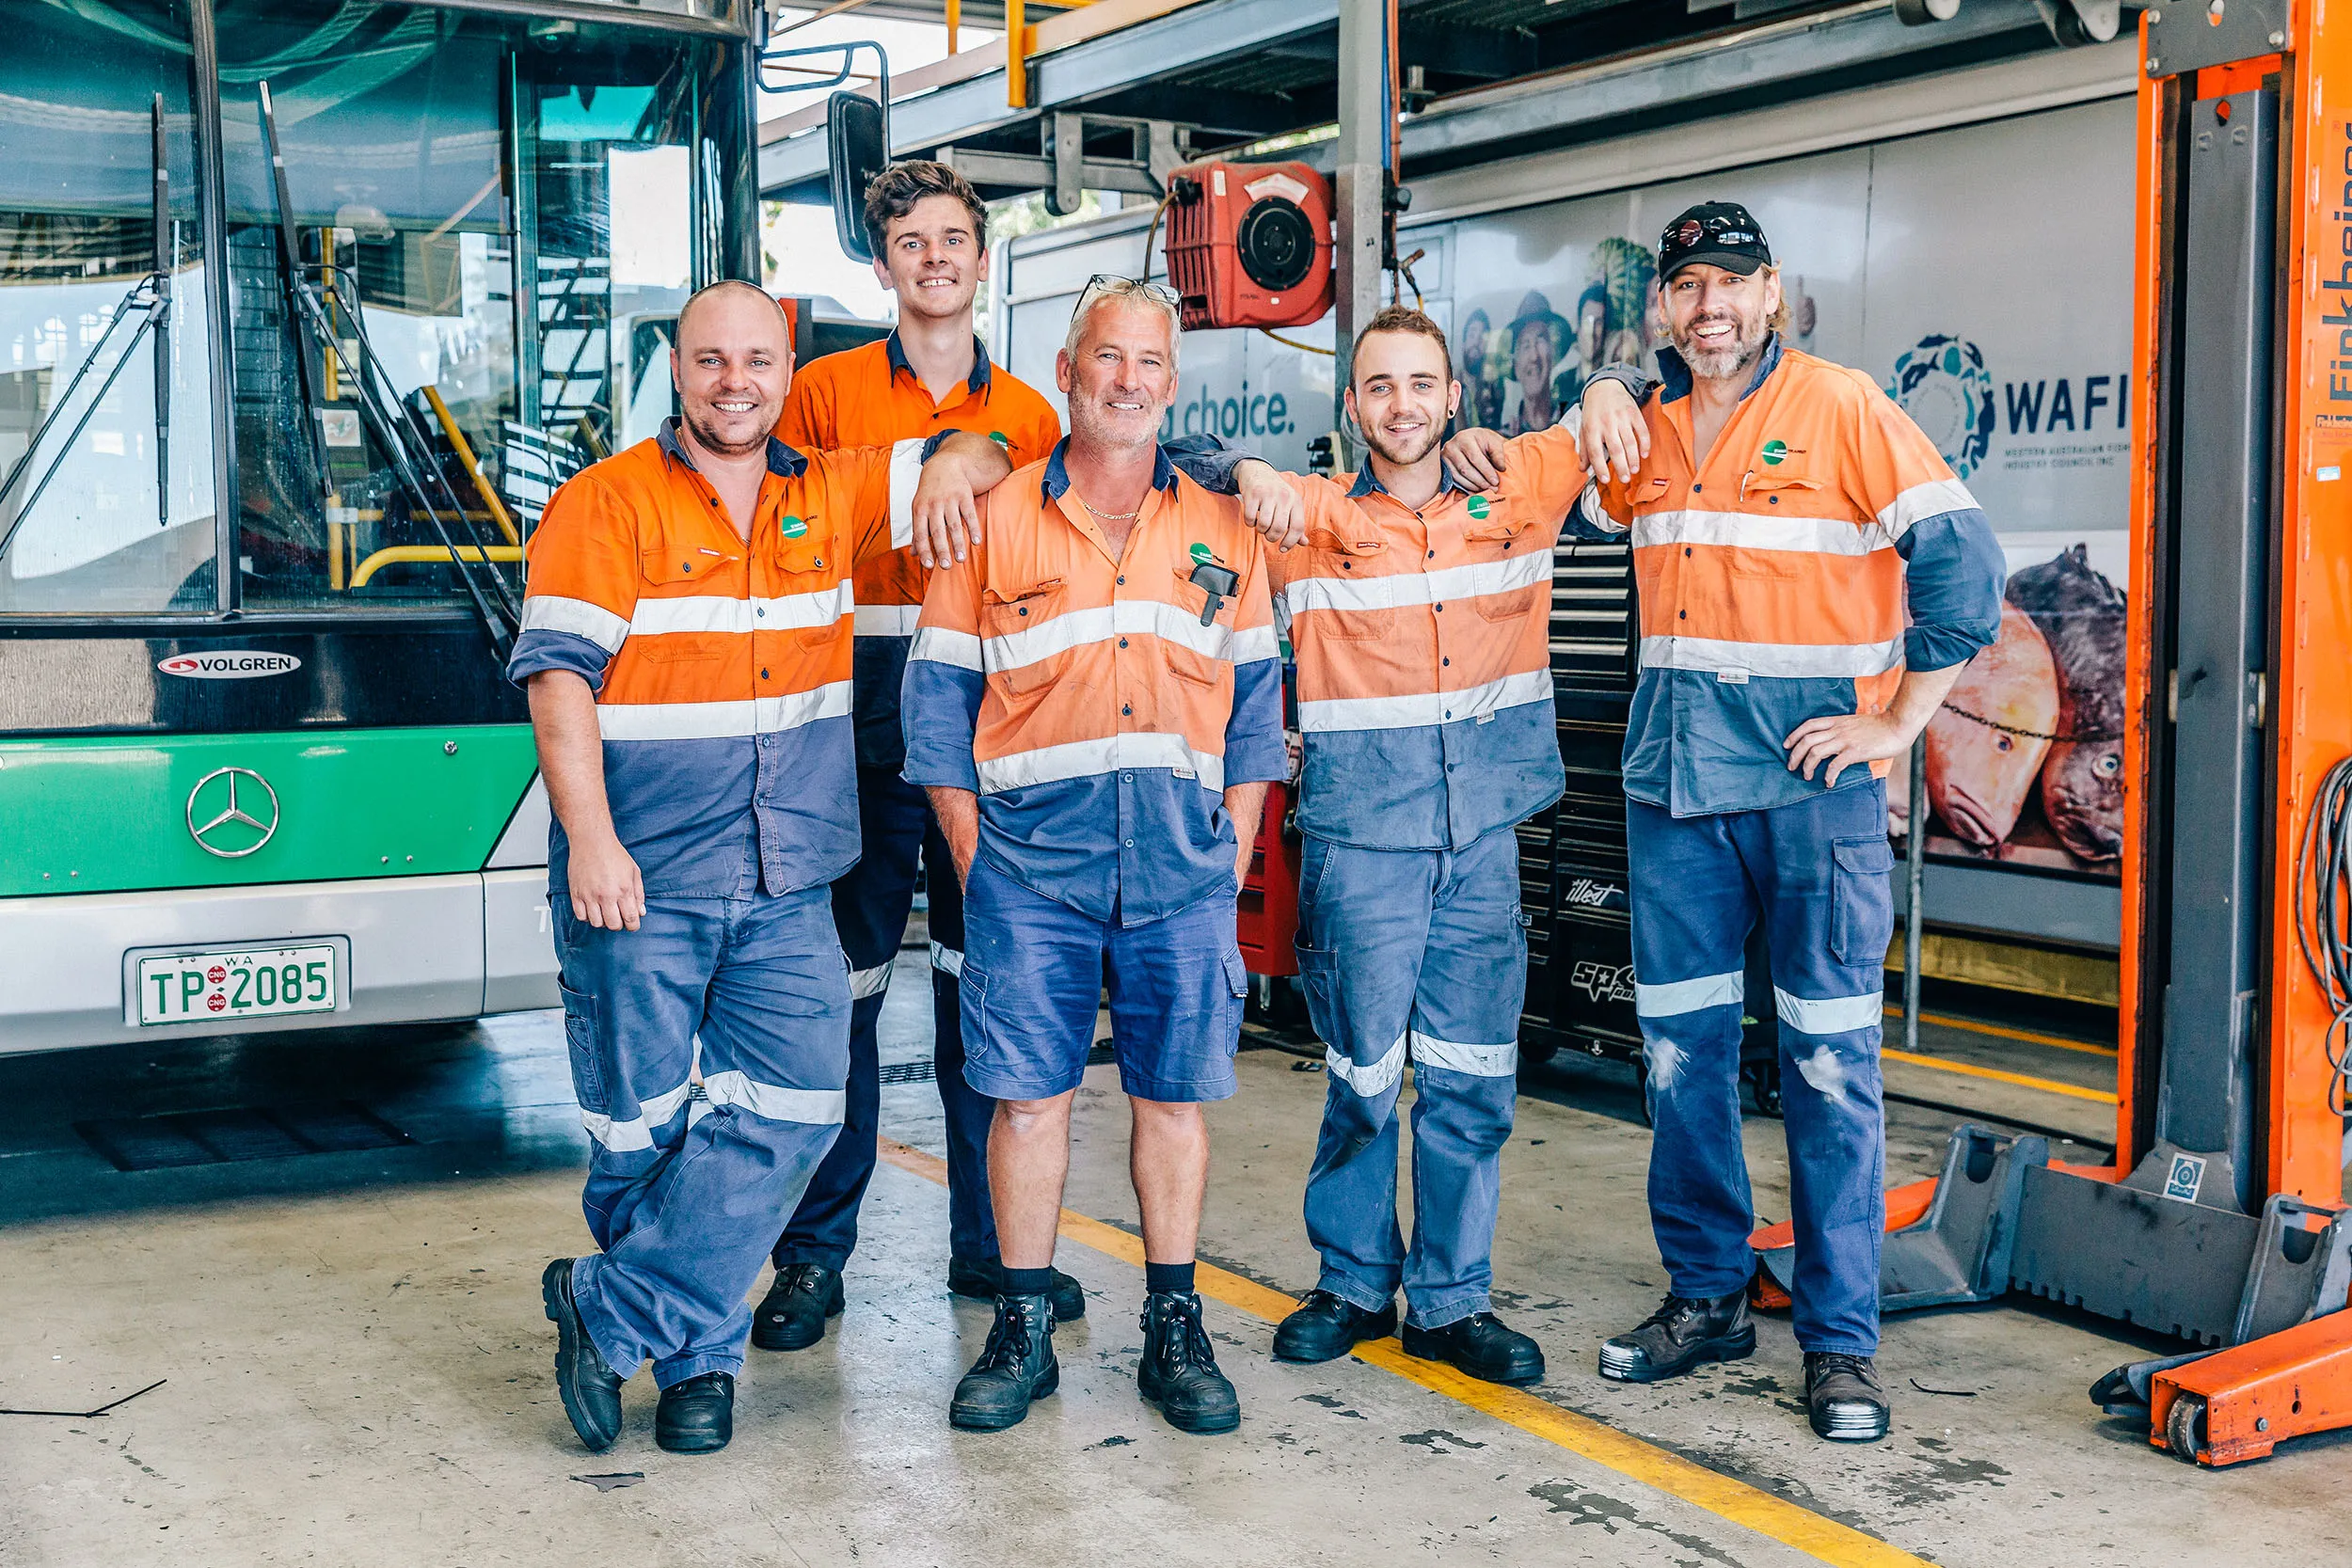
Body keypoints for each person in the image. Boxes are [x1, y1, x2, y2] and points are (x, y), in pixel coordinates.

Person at [1447, 201, 2005, 1444]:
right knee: (1686, 1062)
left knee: (1825, 1066)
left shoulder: (1845, 407)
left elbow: (1965, 563)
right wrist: (1543, 410)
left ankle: (1840, 1339)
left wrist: (1899, 725)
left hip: (1815, 803)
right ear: (1661, 308)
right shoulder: (1636, 430)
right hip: (1676, 795)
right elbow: (1500, 482)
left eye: (1731, 284)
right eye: (1686, 285)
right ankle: (1706, 1295)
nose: (1709, 306)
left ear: (1773, 295)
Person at [510, 280, 1016, 1457]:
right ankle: (699, 1366)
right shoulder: (605, 502)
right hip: (640, 877)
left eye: (756, 359)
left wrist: (949, 458)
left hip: (790, 875)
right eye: (710, 359)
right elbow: (558, 682)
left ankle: (614, 1306)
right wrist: (589, 835)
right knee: (638, 1130)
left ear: (789, 368)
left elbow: (1001, 447)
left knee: (796, 1105)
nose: (734, 381)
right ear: (676, 368)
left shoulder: (832, 490)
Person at [1187, 306, 1638, 1385]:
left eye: (1421, 384)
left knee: (1474, 1076)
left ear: (1452, 396)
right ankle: (1350, 1280)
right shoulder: (1305, 518)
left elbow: (1625, 397)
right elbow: (1172, 454)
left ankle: (1448, 1299)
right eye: (1380, 386)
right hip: (1361, 844)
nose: (1403, 405)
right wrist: (1245, 459)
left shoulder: (1519, 490)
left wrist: (1612, 378)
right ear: (1352, 404)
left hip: (1482, 842)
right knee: (1361, 1075)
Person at [900, 276, 1300, 1435]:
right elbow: (936, 711)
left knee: (1172, 1100)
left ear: (1173, 386)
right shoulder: (990, 517)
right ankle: (1020, 1324)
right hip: (1029, 870)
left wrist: (1229, 851)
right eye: (1106, 359)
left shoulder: (1227, 526)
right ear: (1067, 374)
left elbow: (1258, 706)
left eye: (1149, 364)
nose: (1127, 380)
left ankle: (1173, 1326)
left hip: (1180, 868)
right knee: (1028, 1103)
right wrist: (979, 860)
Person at [755, 160, 1077, 1354]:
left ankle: (996, 1249)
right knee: (841, 999)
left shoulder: (1036, 416)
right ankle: (811, 1255)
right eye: (912, 242)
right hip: (853, 723)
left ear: (981, 260)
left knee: (980, 988)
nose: (934, 258)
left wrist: (976, 444)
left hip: (992, 731)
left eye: (954, 239)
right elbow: (783, 530)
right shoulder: (823, 393)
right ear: (883, 264)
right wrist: (936, 461)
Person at [1501, 290, 1569, 436]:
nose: (1534, 357)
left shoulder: (1572, 426)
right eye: (1526, 345)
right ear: (1516, 366)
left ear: (1553, 356)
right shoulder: (1502, 442)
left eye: (1540, 340)